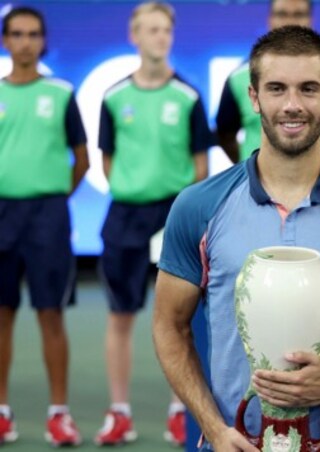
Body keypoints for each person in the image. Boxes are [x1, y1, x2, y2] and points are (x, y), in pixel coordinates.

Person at [152, 26, 320, 451]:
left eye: (309, 89)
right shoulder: (198, 206)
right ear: (254, 98)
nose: (292, 105)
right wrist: (215, 430)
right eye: (277, 89)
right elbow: (169, 325)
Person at [96, 1, 213, 446]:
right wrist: (135, 187)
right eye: (151, 29)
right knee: (120, 315)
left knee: (180, 317)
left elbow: (200, 166)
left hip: (173, 215)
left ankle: (180, 411)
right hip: (124, 216)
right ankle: (120, 412)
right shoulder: (114, 97)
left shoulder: (187, 97)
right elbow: (108, 161)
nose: (159, 37)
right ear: (135, 36)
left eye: (165, 30)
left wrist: (176, 206)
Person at [0, 6, 88, 447]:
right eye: (16, 34)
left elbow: (82, 159)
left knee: (50, 314)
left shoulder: (60, 93)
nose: (26, 42)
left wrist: (52, 199)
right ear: (5, 41)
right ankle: (1, 411)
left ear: (43, 40)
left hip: (48, 218)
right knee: (2, 315)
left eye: (34, 34)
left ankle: (59, 413)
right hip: (1, 216)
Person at [216, 0, 320, 167]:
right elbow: (224, 135)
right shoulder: (239, 78)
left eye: (299, 14)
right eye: (282, 14)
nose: (290, 22)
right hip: (253, 190)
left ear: (311, 20)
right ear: (269, 19)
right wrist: (248, 171)